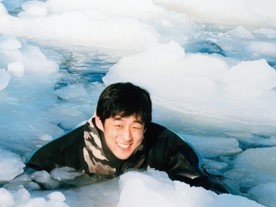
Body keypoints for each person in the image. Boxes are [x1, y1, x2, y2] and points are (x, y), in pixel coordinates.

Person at [26, 82, 227, 192]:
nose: (127, 136)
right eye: (118, 125)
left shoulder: (170, 148)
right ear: (99, 122)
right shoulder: (61, 154)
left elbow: (206, 188)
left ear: (145, 127)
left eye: (135, 127)